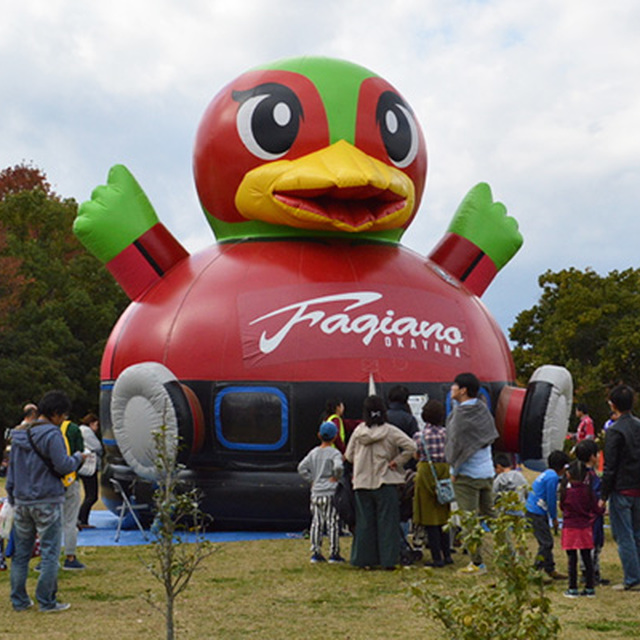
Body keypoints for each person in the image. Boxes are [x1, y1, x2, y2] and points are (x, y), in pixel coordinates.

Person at [5, 390, 85, 612]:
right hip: (48, 500)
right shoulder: (52, 434)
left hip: (21, 501)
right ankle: (47, 601)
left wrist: (12, 496)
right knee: (49, 553)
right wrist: (78, 458)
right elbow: (63, 465)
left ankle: (19, 601)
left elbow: (12, 471)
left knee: (21, 554)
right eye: (63, 415)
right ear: (56, 414)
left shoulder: (19, 434)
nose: (63, 420)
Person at [344, 395, 417, 569]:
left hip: (362, 482)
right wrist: (397, 461)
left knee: (365, 524)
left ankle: (363, 560)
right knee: (387, 523)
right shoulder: (390, 431)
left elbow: (348, 456)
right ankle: (388, 560)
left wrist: (360, 462)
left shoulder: (358, 431)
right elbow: (411, 446)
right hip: (385, 481)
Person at [444, 372, 498, 574]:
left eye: (454, 386)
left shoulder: (460, 415)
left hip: (466, 474)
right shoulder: (483, 409)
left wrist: (453, 470)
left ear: (463, 390)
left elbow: (456, 446)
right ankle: (510, 555)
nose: (452, 389)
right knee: (493, 518)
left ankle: (477, 562)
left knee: (469, 520)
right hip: (486, 470)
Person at [601, 384, 640, 591]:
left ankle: (632, 578)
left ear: (613, 404)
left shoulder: (615, 431)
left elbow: (610, 466)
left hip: (622, 489)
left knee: (624, 535)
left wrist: (603, 494)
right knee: (637, 533)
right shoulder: (638, 425)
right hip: (637, 487)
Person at [412, 399, 452, 568]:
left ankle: (437, 557)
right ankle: (448, 554)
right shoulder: (447, 434)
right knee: (443, 514)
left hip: (426, 472)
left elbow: (416, 454)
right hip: (444, 472)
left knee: (430, 518)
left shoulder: (419, 436)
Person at [297, 421, 344, 563]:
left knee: (316, 522)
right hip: (330, 492)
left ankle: (315, 552)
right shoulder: (335, 453)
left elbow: (301, 467)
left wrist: (311, 480)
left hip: (316, 492)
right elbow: (339, 466)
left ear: (319, 435)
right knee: (332, 522)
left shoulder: (313, 453)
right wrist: (336, 477)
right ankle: (334, 553)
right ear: (335, 437)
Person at [560, 460, 605, 598]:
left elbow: (562, 506)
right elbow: (595, 508)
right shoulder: (587, 491)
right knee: (587, 558)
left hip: (570, 528)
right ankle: (589, 587)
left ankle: (572, 587)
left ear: (568, 474)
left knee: (572, 559)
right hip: (585, 527)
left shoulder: (566, 491)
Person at [525, 449, 570, 580]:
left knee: (547, 540)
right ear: (562, 467)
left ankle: (550, 569)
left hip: (535, 510)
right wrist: (554, 517)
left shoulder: (547, 473)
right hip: (536, 512)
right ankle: (535, 570)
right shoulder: (553, 478)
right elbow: (551, 499)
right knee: (546, 543)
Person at [58, 416, 85, 570]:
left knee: (50, 523)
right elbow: (80, 454)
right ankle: (70, 557)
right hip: (71, 478)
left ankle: (47, 559)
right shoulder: (74, 429)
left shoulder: (43, 429)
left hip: (50, 483)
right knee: (70, 521)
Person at [78, 413, 103, 529]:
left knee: (89, 495)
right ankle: (81, 519)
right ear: (92, 423)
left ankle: (82, 519)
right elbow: (98, 447)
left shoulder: (80, 430)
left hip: (83, 467)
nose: (97, 428)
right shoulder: (87, 431)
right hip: (90, 468)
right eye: (96, 425)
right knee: (92, 496)